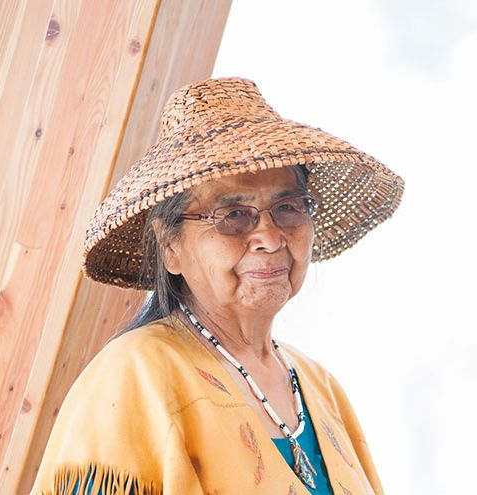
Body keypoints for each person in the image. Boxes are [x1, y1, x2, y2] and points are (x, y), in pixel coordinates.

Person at [30, 77, 404, 495]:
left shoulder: (320, 387)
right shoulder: (131, 377)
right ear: (170, 246)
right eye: (233, 215)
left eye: (288, 208)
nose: (270, 238)